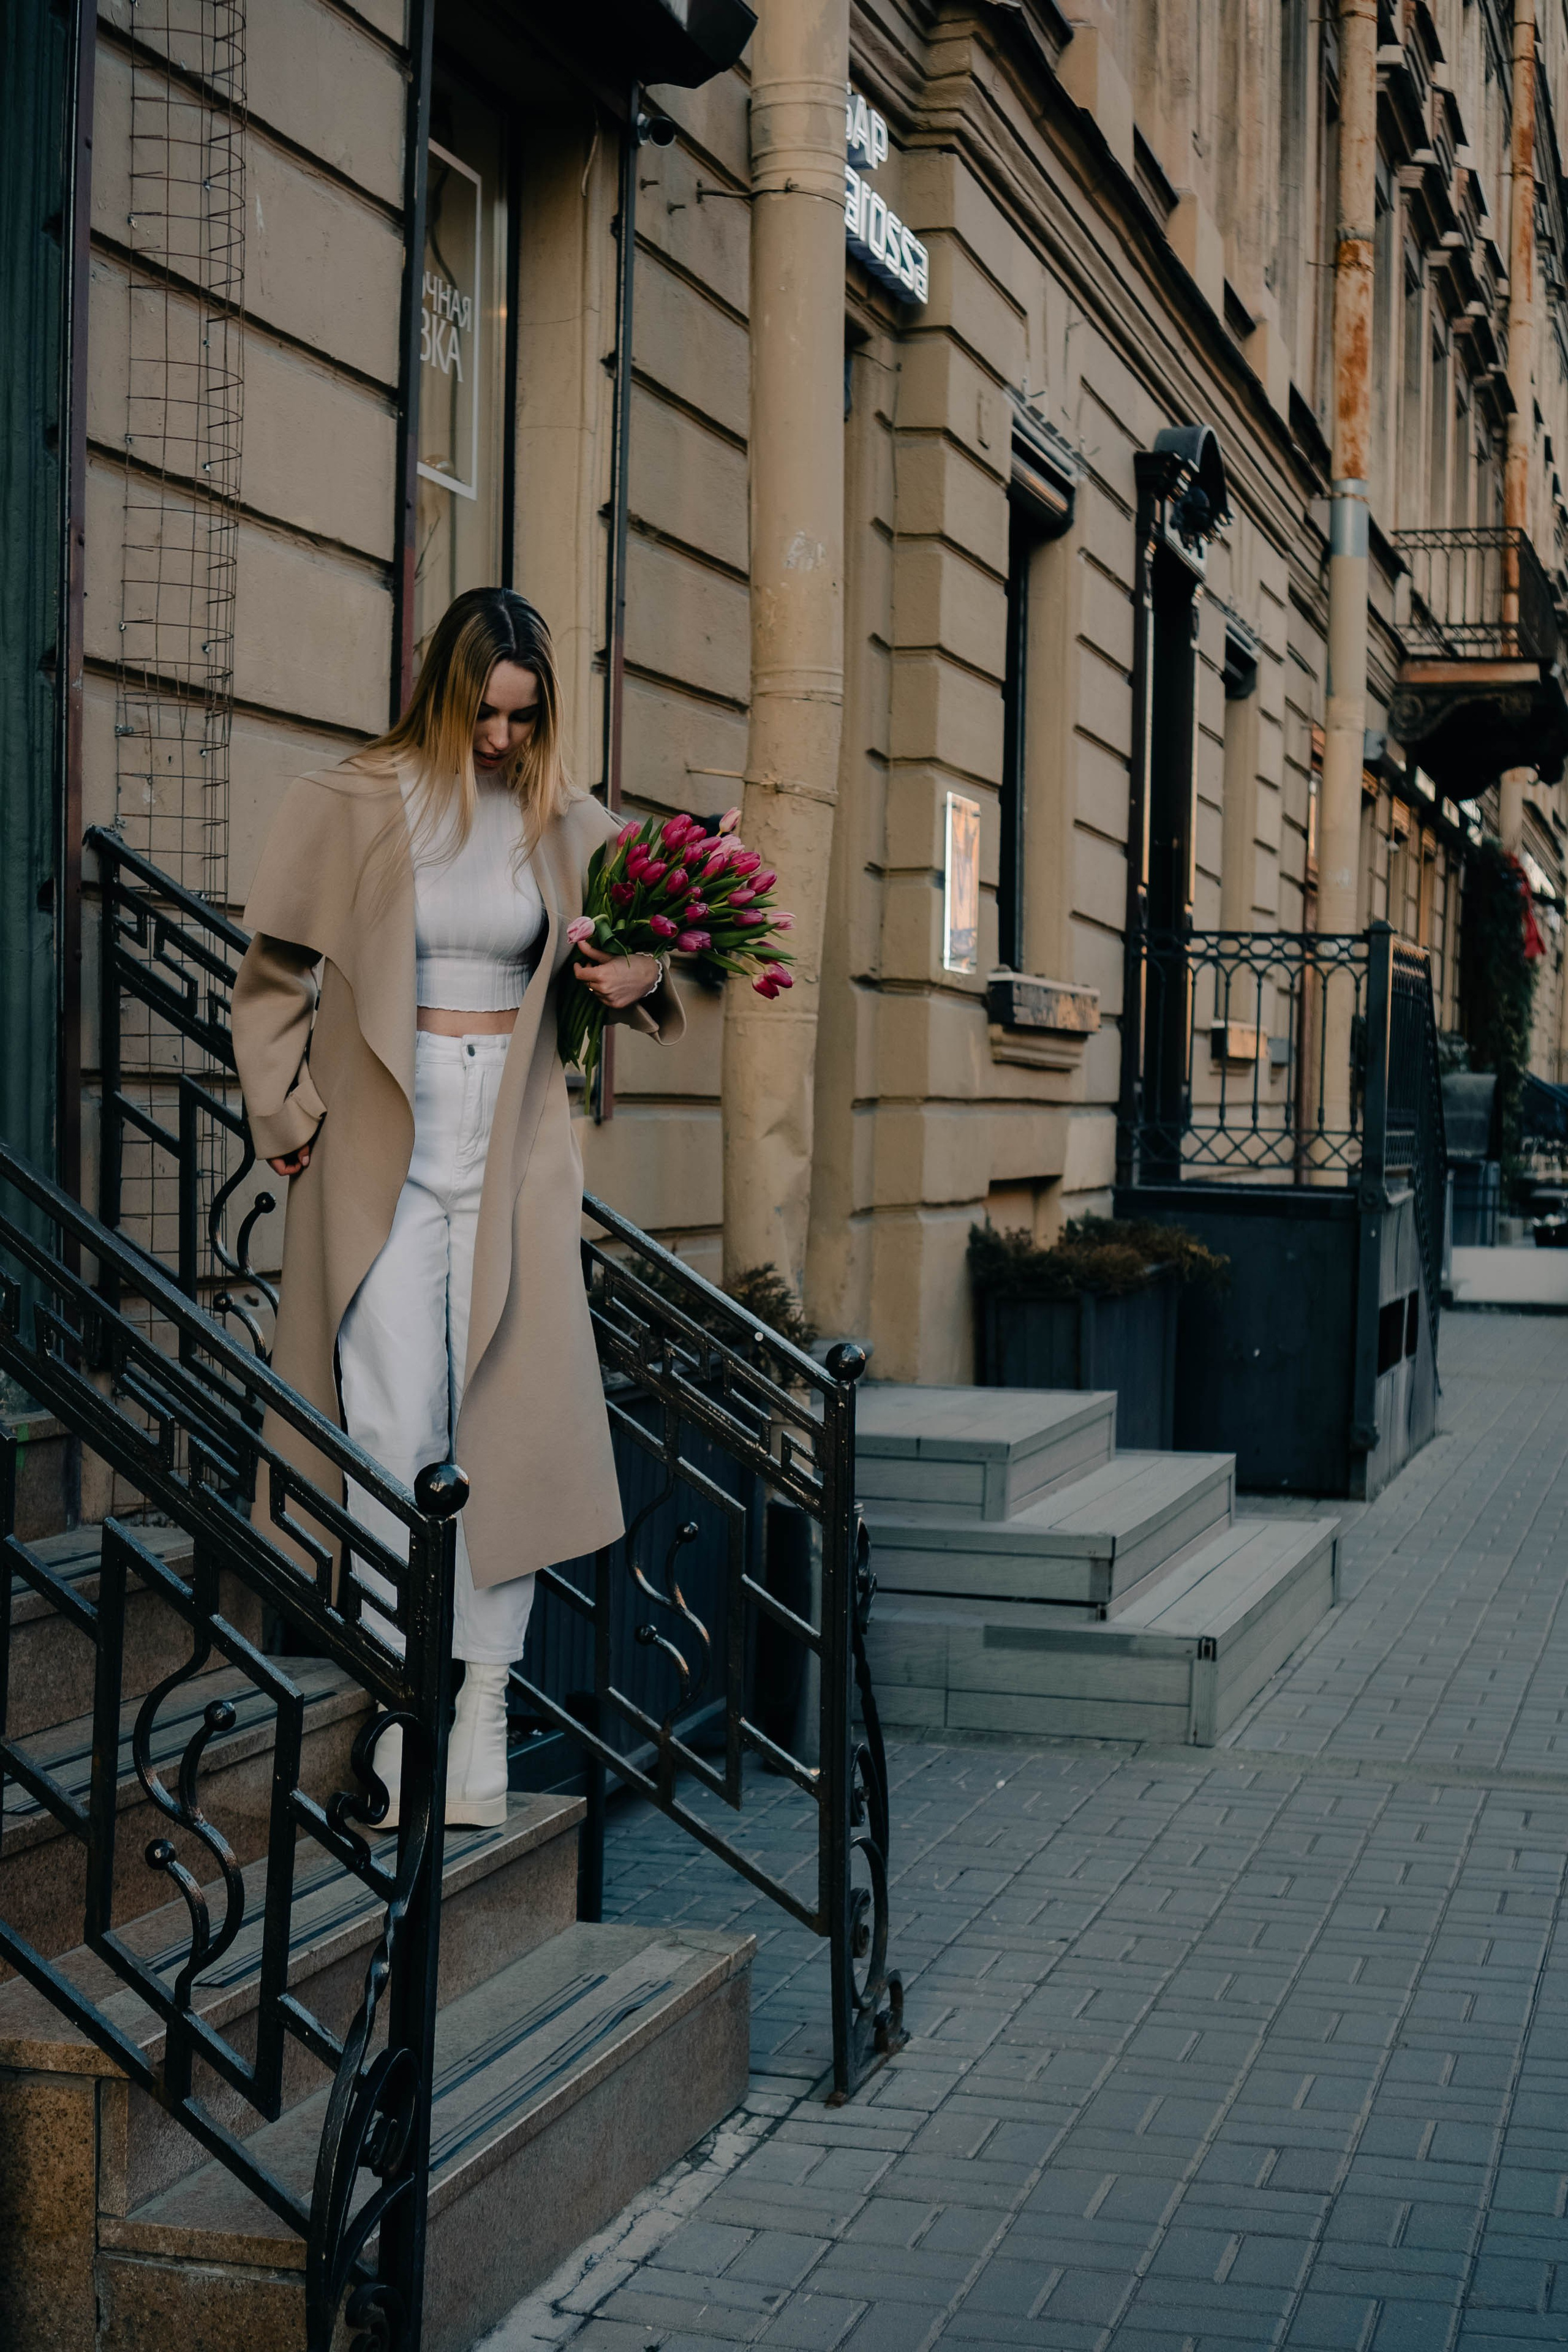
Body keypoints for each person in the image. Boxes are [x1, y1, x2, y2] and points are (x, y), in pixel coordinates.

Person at [232, 588, 682, 1828]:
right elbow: (271, 974)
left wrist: (643, 973)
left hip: (513, 1140)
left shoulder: (564, 815)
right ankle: (400, 1700)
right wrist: (284, 1109)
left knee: (503, 1427)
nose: (500, 739)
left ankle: (482, 1702)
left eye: (523, 717)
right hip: (387, 1128)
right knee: (387, 1423)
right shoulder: (359, 801)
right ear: (442, 692)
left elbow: (648, 953)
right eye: (483, 711)